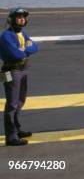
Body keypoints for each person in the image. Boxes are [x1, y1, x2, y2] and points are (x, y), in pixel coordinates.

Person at [0, 8, 38, 146]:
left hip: (22, 70)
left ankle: (17, 129)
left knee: (20, 101)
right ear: (12, 20)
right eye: (19, 17)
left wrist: (24, 49)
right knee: (12, 104)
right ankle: (11, 137)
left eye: (23, 17)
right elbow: (16, 54)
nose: (22, 19)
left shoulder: (22, 33)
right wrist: (26, 50)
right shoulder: (6, 36)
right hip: (10, 71)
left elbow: (36, 47)